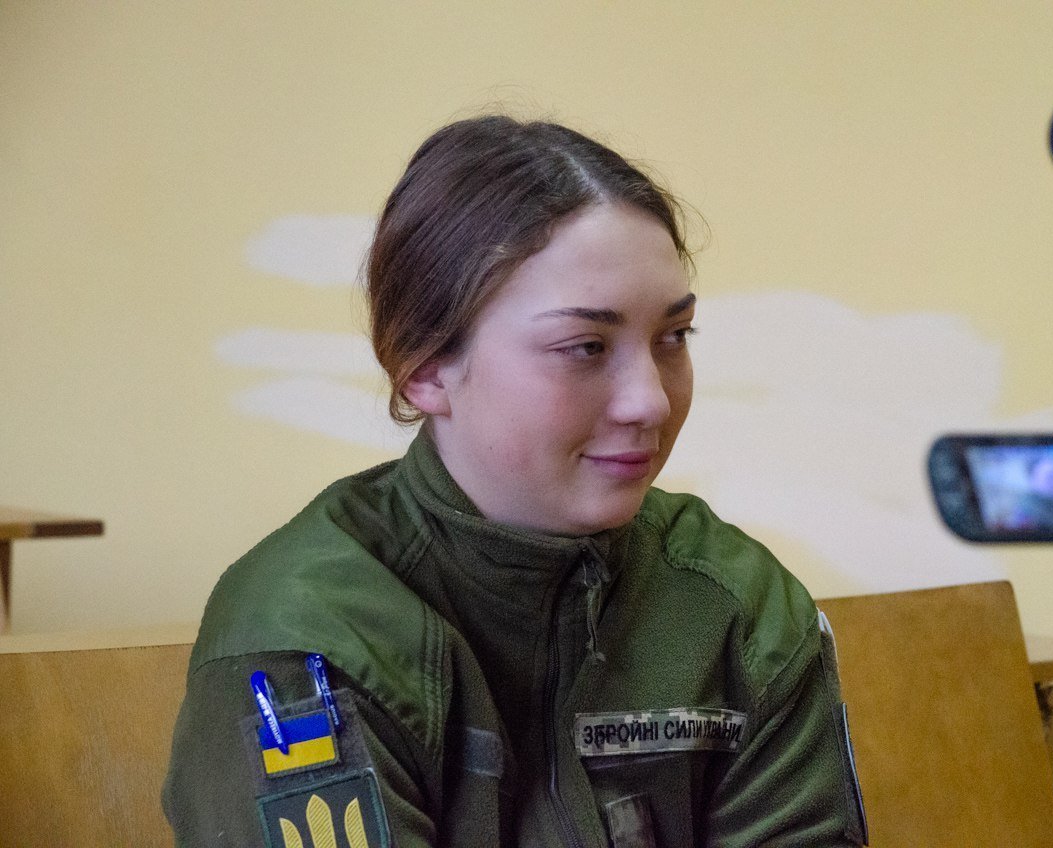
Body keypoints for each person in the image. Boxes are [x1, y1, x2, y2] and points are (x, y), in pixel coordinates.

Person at [163, 115, 868, 848]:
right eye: (585, 346)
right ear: (425, 367)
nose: (651, 401)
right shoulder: (304, 640)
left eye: (673, 337)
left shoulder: (737, 608)